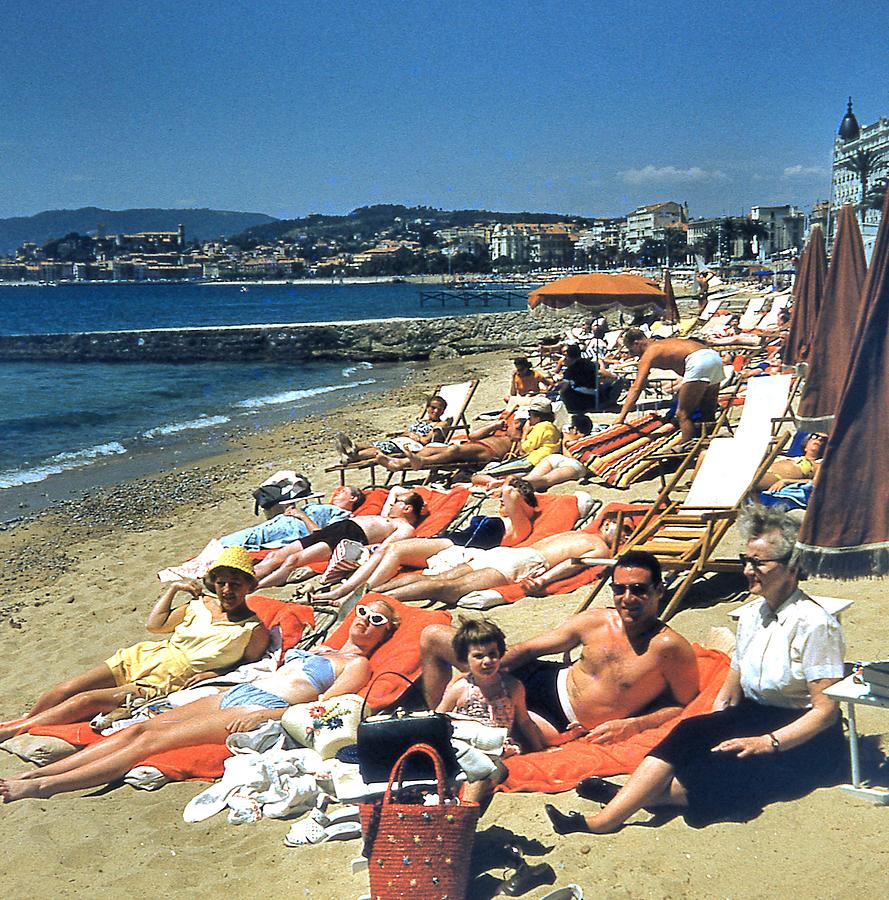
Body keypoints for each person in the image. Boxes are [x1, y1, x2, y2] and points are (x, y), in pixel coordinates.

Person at [545, 506, 845, 834]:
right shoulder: (753, 615)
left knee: (723, 768)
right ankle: (611, 817)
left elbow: (826, 711)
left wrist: (767, 742)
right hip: (756, 713)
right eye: (745, 560)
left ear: (793, 567)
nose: (747, 570)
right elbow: (737, 671)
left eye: (758, 563)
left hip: (802, 736)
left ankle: (634, 799)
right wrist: (718, 718)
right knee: (689, 733)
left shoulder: (816, 624)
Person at [0, 599, 399, 803]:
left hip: (257, 707)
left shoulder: (357, 664)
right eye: (362, 611)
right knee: (139, 728)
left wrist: (268, 714)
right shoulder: (325, 647)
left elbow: (323, 707)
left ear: (384, 633)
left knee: (148, 744)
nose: (364, 620)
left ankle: (44, 787)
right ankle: (29, 777)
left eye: (377, 620)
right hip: (235, 692)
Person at [419, 550, 699, 744]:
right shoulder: (597, 620)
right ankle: (435, 720)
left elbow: (684, 705)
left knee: (485, 728)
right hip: (543, 676)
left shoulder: (669, 648)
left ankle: (436, 733)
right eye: (619, 589)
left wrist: (632, 725)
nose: (627, 598)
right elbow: (529, 649)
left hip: (558, 719)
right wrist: (486, 673)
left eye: (639, 589)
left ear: (659, 591)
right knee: (432, 635)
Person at [0, 547, 270, 744]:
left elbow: (248, 669)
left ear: (248, 586)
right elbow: (155, 625)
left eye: (235, 584)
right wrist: (173, 590)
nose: (226, 590)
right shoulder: (200, 605)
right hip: (144, 656)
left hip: (167, 679)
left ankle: (13, 731)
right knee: (66, 688)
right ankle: (23, 723)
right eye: (221, 583)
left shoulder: (252, 629)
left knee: (85, 700)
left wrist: (215, 674)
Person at [308, 479, 540, 607]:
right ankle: (344, 591)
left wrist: (510, 488)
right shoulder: (505, 518)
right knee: (389, 549)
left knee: (396, 549)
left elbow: (510, 492)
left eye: (506, 498)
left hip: (457, 549)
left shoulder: (519, 526)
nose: (501, 499)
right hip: (447, 542)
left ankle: (356, 594)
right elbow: (480, 481)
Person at [436, 618, 578, 812]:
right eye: (478, 656)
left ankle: (465, 810)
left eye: (492, 655)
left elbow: (524, 721)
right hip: (465, 743)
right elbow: (438, 720)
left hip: (497, 747)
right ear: (465, 659)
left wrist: (539, 750)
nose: (487, 661)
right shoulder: (460, 688)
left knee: (486, 771)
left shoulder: (512, 687)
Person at [369, 525, 629, 609]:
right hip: (522, 561)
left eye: (625, 530)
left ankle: (374, 588)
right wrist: (545, 579)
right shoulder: (599, 545)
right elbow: (574, 563)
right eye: (619, 526)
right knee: (447, 587)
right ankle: (379, 597)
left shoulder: (579, 534)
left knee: (444, 578)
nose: (618, 532)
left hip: (508, 553)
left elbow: (551, 546)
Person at [253, 490, 424, 587]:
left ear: (407, 509)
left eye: (398, 502)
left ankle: (255, 587)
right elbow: (395, 490)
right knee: (272, 557)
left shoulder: (405, 528)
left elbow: (383, 550)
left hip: (350, 536)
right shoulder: (388, 516)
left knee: (293, 560)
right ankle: (248, 579)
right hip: (336, 529)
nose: (393, 503)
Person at [615, 329, 724, 444]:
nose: (633, 354)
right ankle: (708, 441)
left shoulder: (649, 353)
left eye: (632, 350)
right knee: (708, 409)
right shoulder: (664, 343)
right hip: (713, 356)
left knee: (682, 414)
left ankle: (686, 446)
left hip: (698, 360)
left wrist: (621, 417)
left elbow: (636, 387)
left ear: (637, 343)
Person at [472, 414, 594, 493]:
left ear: (576, 429)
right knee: (542, 480)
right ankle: (508, 485)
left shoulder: (576, 440)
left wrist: (565, 442)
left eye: (570, 428)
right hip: (567, 463)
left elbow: (573, 456)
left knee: (538, 480)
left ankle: (506, 485)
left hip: (561, 461)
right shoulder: (589, 442)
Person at [218, 485, 366, 550]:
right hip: (281, 523)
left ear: (352, 498)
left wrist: (300, 514)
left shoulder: (342, 515)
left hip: (288, 530)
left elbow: (322, 536)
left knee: (232, 542)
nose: (337, 492)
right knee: (237, 539)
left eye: (343, 491)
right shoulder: (329, 507)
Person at [335, 395, 451, 463]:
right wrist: (409, 434)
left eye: (439, 409)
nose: (435, 411)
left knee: (381, 449)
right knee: (379, 445)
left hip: (415, 447)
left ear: (443, 411)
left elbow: (426, 441)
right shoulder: (421, 420)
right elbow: (408, 432)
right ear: (427, 407)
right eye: (433, 407)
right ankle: (351, 450)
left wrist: (414, 436)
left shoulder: (440, 424)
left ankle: (351, 453)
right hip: (404, 441)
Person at [559, 344, 621, 414]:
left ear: (568, 356)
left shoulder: (571, 369)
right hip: (594, 393)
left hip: (580, 396)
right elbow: (600, 373)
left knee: (564, 391)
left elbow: (564, 387)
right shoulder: (589, 363)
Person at [757, 432, 826, 492]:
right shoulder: (787, 457)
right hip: (759, 471)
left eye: (824, 440)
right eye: (815, 436)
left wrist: (786, 481)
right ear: (805, 446)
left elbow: (815, 483)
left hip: (769, 478)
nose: (819, 439)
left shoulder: (819, 464)